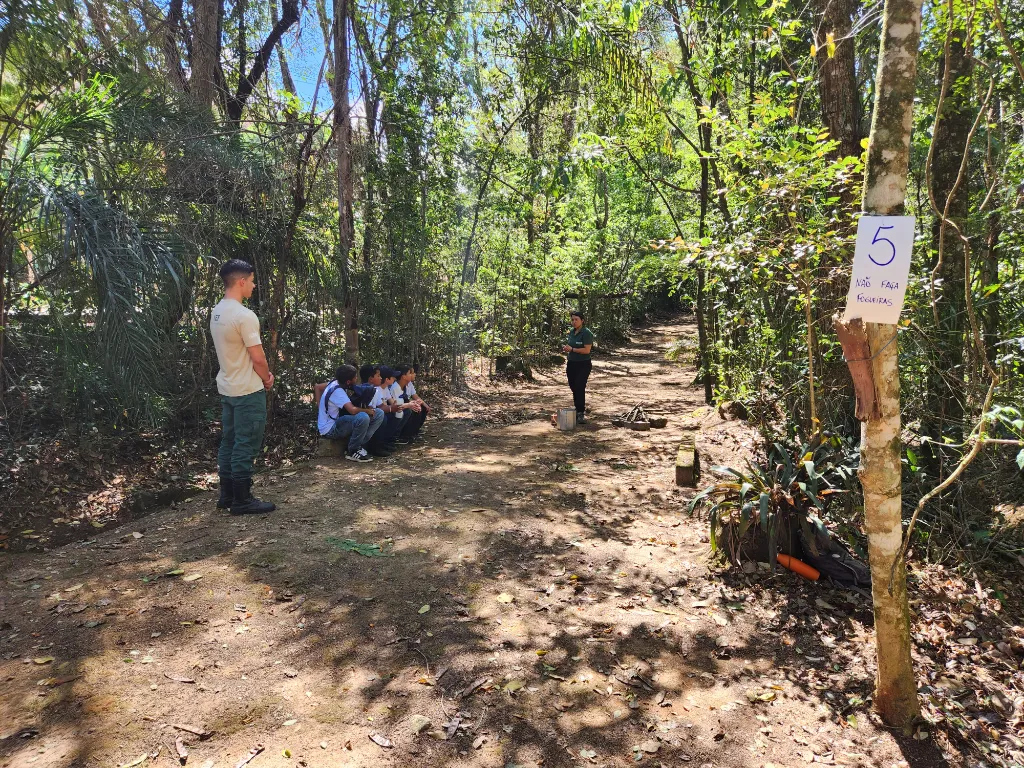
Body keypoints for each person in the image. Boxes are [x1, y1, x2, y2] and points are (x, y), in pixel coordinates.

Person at [210, 259, 275, 514]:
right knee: (246, 443)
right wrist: (267, 377)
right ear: (241, 281)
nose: (254, 284)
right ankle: (242, 499)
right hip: (248, 390)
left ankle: (226, 495)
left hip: (227, 387)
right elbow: (257, 357)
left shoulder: (217, 311)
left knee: (230, 441)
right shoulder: (243, 316)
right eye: (252, 279)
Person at [318, 364, 384, 462]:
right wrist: (367, 410)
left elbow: (317, 387)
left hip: (337, 421)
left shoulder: (335, 382)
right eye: (355, 377)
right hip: (330, 428)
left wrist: (320, 407)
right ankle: (353, 450)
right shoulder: (338, 391)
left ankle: (357, 443)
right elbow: (352, 410)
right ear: (348, 381)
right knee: (363, 417)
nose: (357, 378)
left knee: (379, 413)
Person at [562, 310, 594, 423]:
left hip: (583, 364)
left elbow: (587, 350)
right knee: (573, 386)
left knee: (580, 386)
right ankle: (577, 408)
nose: (574, 322)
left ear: (582, 320)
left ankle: (580, 412)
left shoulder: (586, 333)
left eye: (576, 319)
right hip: (571, 363)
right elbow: (570, 345)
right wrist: (567, 348)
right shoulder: (572, 332)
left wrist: (572, 349)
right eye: (572, 320)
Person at [360, 364, 397, 457]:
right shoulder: (365, 389)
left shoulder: (374, 390)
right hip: (363, 417)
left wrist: (393, 407)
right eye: (378, 376)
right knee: (382, 417)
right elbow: (367, 408)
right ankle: (373, 447)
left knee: (384, 415)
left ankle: (381, 444)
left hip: (371, 414)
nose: (381, 378)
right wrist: (392, 408)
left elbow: (380, 405)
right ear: (370, 378)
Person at [393, 364, 426, 444]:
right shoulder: (395, 387)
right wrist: (410, 405)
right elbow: (396, 405)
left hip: (400, 408)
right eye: (410, 373)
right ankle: (399, 435)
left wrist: (414, 403)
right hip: (395, 411)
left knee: (418, 407)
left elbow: (407, 399)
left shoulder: (403, 386)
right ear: (404, 376)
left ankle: (411, 433)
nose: (413, 375)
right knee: (409, 410)